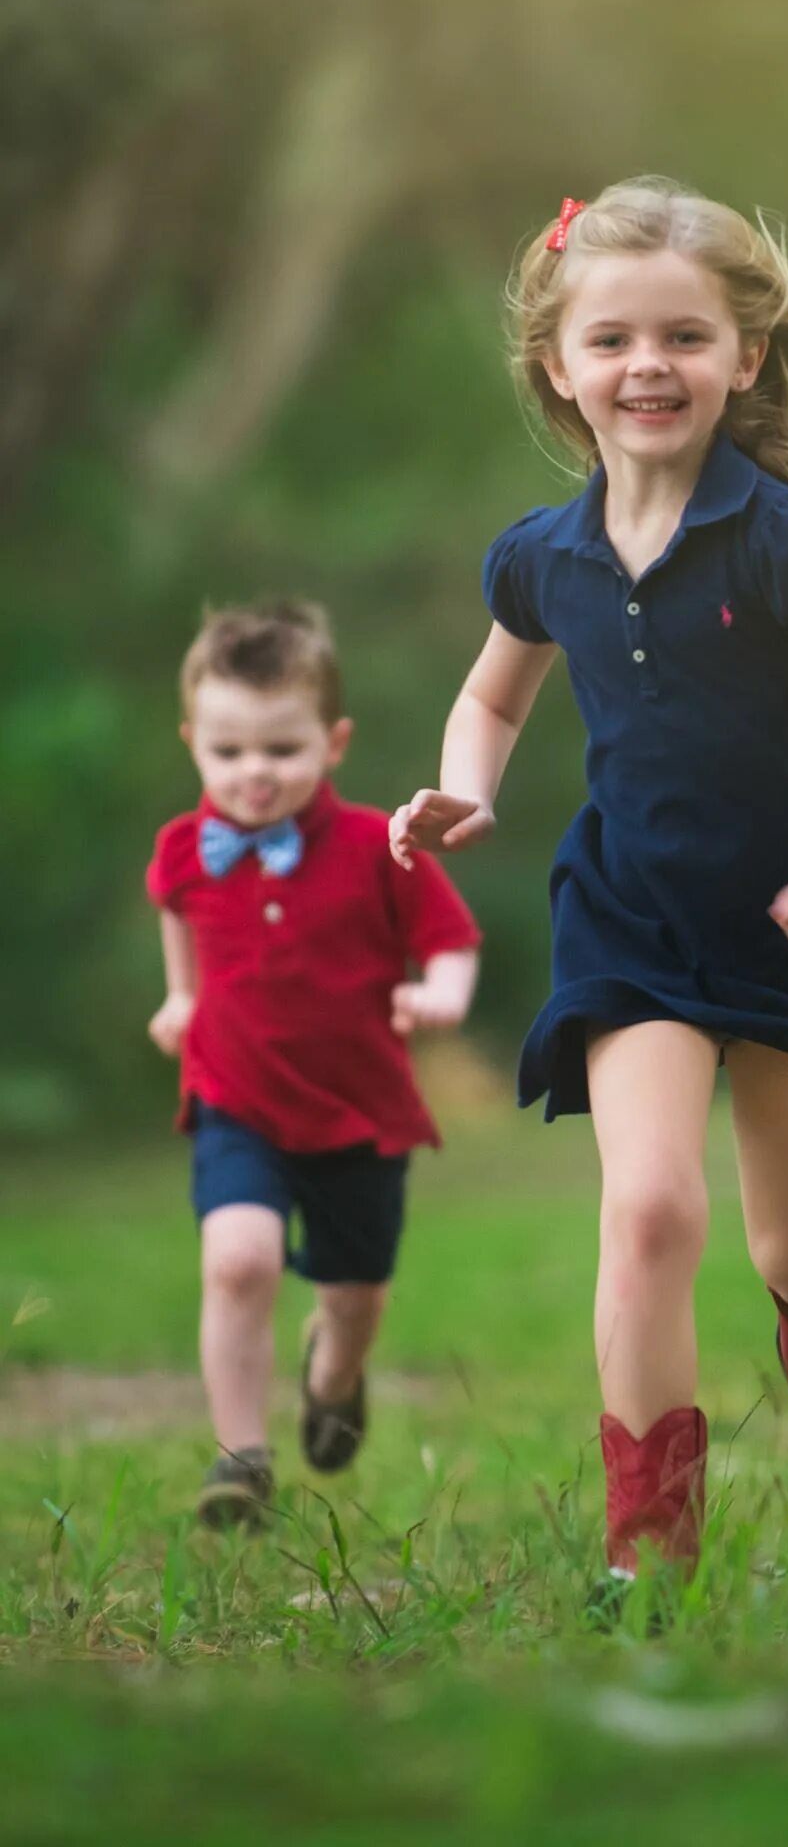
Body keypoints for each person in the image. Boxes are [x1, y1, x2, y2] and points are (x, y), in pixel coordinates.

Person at [390, 178, 788, 1582]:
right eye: (616, 340)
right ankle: (650, 1545)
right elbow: (495, 702)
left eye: (686, 338)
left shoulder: (783, 541)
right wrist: (467, 782)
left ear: (745, 358)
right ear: (560, 367)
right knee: (645, 1209)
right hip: (632, 923)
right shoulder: (543, 558)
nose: (650, 365)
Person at [147, 601, 480, 1527]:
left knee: (355, 1293)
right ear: (194, 745)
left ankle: (333, 1374)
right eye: (228, 752)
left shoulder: (382, 844)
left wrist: (443, 993)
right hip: (235, 1098)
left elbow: (449, 937)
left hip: (359, 1112)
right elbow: (177, 909)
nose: (254, 773)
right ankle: (239, 1459)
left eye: (281, 750)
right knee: (239, 1261)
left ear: (333, 743)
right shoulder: (183, 849)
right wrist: (182, 997)